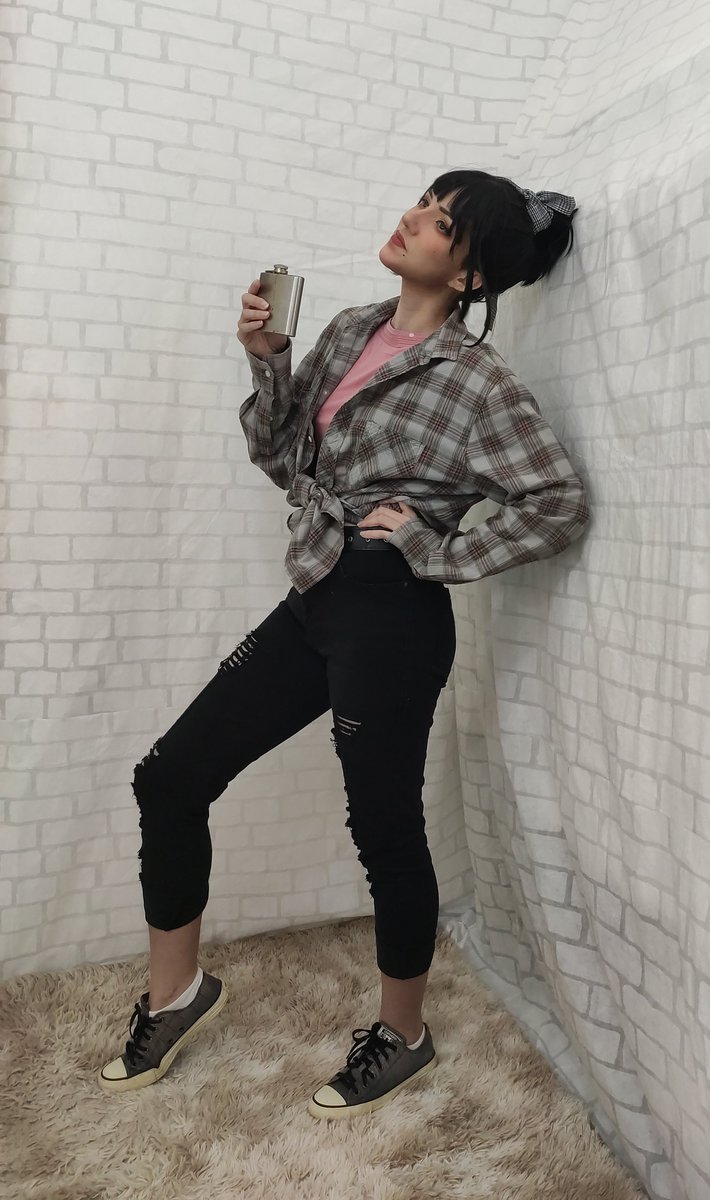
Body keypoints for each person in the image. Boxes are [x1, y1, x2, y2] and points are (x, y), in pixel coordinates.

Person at [99, 169, 590, 1119]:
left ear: (469, 276)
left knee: (384, 830)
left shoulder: (478, 381)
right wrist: (268, 359)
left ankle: (403, 1034)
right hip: (317, 590)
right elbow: (283, 459)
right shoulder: (351, 328)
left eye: (438, 222)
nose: (411, 219)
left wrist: (437, 550)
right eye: (422, 203)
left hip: (394, 617)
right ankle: (176, 995)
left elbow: (558, 501)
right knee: (169, 777)